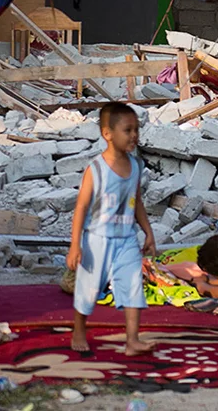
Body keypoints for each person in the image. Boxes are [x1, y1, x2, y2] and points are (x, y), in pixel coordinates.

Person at [66, 103, 157, 356]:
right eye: (127, 130)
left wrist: (148, 231)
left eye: (136, 129)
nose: (134, 135)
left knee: (132, 285)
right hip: (97, 239)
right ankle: (79, 330)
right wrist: (75, 245)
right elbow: (81, 207)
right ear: (108, 134)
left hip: (127, 238)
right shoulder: (96, 169)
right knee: (89, 287)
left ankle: (132, 340)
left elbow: (136, 201)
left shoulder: (136, 166)